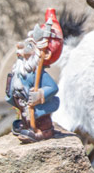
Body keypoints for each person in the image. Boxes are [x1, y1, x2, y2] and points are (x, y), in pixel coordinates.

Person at [8, 9, 63, 142]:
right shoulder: (21, 69)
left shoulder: (39, 74)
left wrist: (40, 95)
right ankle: (26, 125)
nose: (21, 47)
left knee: (42, 121)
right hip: (24, 105)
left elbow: (53, 88)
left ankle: (43, 132)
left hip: (37, 111)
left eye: (29, 45)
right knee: (25, 114)